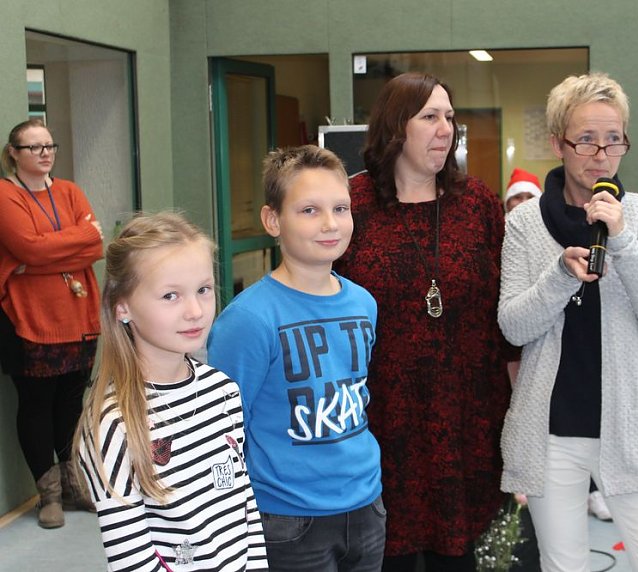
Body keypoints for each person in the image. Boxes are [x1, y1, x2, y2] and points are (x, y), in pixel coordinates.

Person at [498, 72, 638, 571]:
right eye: (586, 139)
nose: (601, 153)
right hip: (552, 434)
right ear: (558, 142)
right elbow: (513, 327)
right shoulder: (523, 223)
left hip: (633, 426)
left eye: (613, 139)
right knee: (563, 565)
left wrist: (621, 240)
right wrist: (560, 275)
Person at [334, 72, 512, 571]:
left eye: (450, 118)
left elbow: (503, 308)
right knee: (388, 549)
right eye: (430, 117)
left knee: (462, 551)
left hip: (468, 410)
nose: (445, 129)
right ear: (395, 127)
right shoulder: (351, 206)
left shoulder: (477, 203)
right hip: (383, 412)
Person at [208, 145, 384, 571]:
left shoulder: (363, 302)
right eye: (309, 210)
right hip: (288, 517)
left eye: (340, 208)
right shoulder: (247, 320)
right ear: (273, 220)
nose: (330, 224)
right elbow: (225, 432)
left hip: (367, 504)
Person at [76, 212, 268, 570]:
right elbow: (132, 562)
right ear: (122, 307)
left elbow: (245, 510)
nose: (195, 311)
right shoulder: (114, 425)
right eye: (170, 296)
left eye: (203, 290)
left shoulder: (223, 391)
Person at [0, 119, 103, 529]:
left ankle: (74, 484)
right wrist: (70, 244)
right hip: (30, 321)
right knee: (38, 406)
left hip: (78, 318)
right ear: (13, 153)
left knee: (70, 403)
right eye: (34, 147)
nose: (45, 153)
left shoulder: (70, 191)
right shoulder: (7, 196)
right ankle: (49, 495)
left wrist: (40, 259)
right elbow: (26, 246)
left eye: (50, 145)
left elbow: (94, 245)